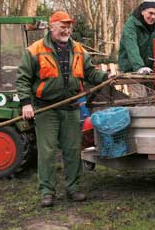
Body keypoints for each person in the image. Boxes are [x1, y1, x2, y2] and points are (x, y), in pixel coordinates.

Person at [17, 11, 110, 208]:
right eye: (62, 26)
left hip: (71, 107)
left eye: (68, 26)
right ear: (52, 27)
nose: (66, 30)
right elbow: (23, 78)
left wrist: (105, 77)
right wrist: (26, 103)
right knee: (47, 151)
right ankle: (46, 191)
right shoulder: (35, 50)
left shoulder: (78, 49)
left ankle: (73, 188)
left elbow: (90, 71)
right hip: (46, 108)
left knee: (73, 149)